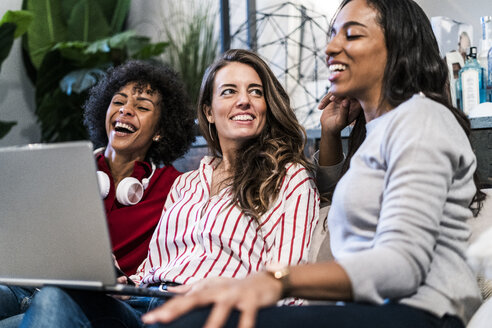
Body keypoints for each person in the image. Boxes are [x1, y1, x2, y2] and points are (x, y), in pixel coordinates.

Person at [140, 1, 486, 328]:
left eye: (351, 34)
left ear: (397, 46)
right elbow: (337, 197)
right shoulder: (377, 137)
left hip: (421, 314)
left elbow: (403, 266)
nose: (331, 48)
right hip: (367, 311)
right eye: (332, 34)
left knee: (195, 322)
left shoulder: (422, 118)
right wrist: (332, 132)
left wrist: (275, 281)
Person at [19, 49, 319, 328]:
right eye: (229, 91)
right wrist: (123, 282)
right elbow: (155, 265)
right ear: (209, 112)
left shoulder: (289, 178)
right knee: (56, 296)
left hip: (205, 309)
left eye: (256, 92)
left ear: (267, 106)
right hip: (145, 301)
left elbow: (286, 286)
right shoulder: (186, 183)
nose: (245, 100)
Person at [0, 59, 195, 327]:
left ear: (160, 131)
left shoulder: (176, 187)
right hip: (26, 288)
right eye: (118, 102)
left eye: (141, 107)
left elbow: (179, 257)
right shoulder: (65, 168)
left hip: (94, 304)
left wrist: (130, 280)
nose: (125, 110)